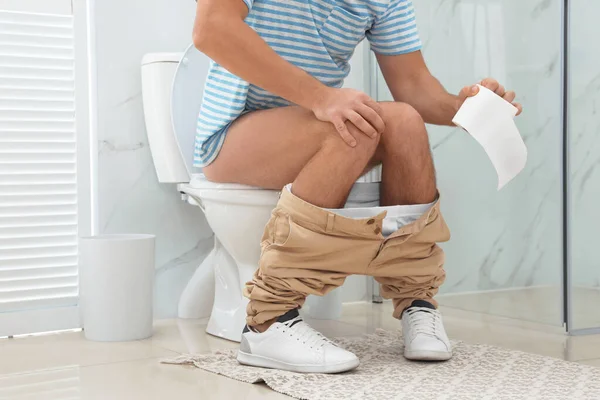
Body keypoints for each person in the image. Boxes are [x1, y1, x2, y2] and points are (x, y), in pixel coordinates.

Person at [192, 0, 522, 374]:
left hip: (312, 124)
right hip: (235, 136)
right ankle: (268, 321)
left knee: (405, 121)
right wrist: (322, 98)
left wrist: (467, 108)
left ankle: (417, 302)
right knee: (351, 130)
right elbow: (212, 28)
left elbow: (414, 87)